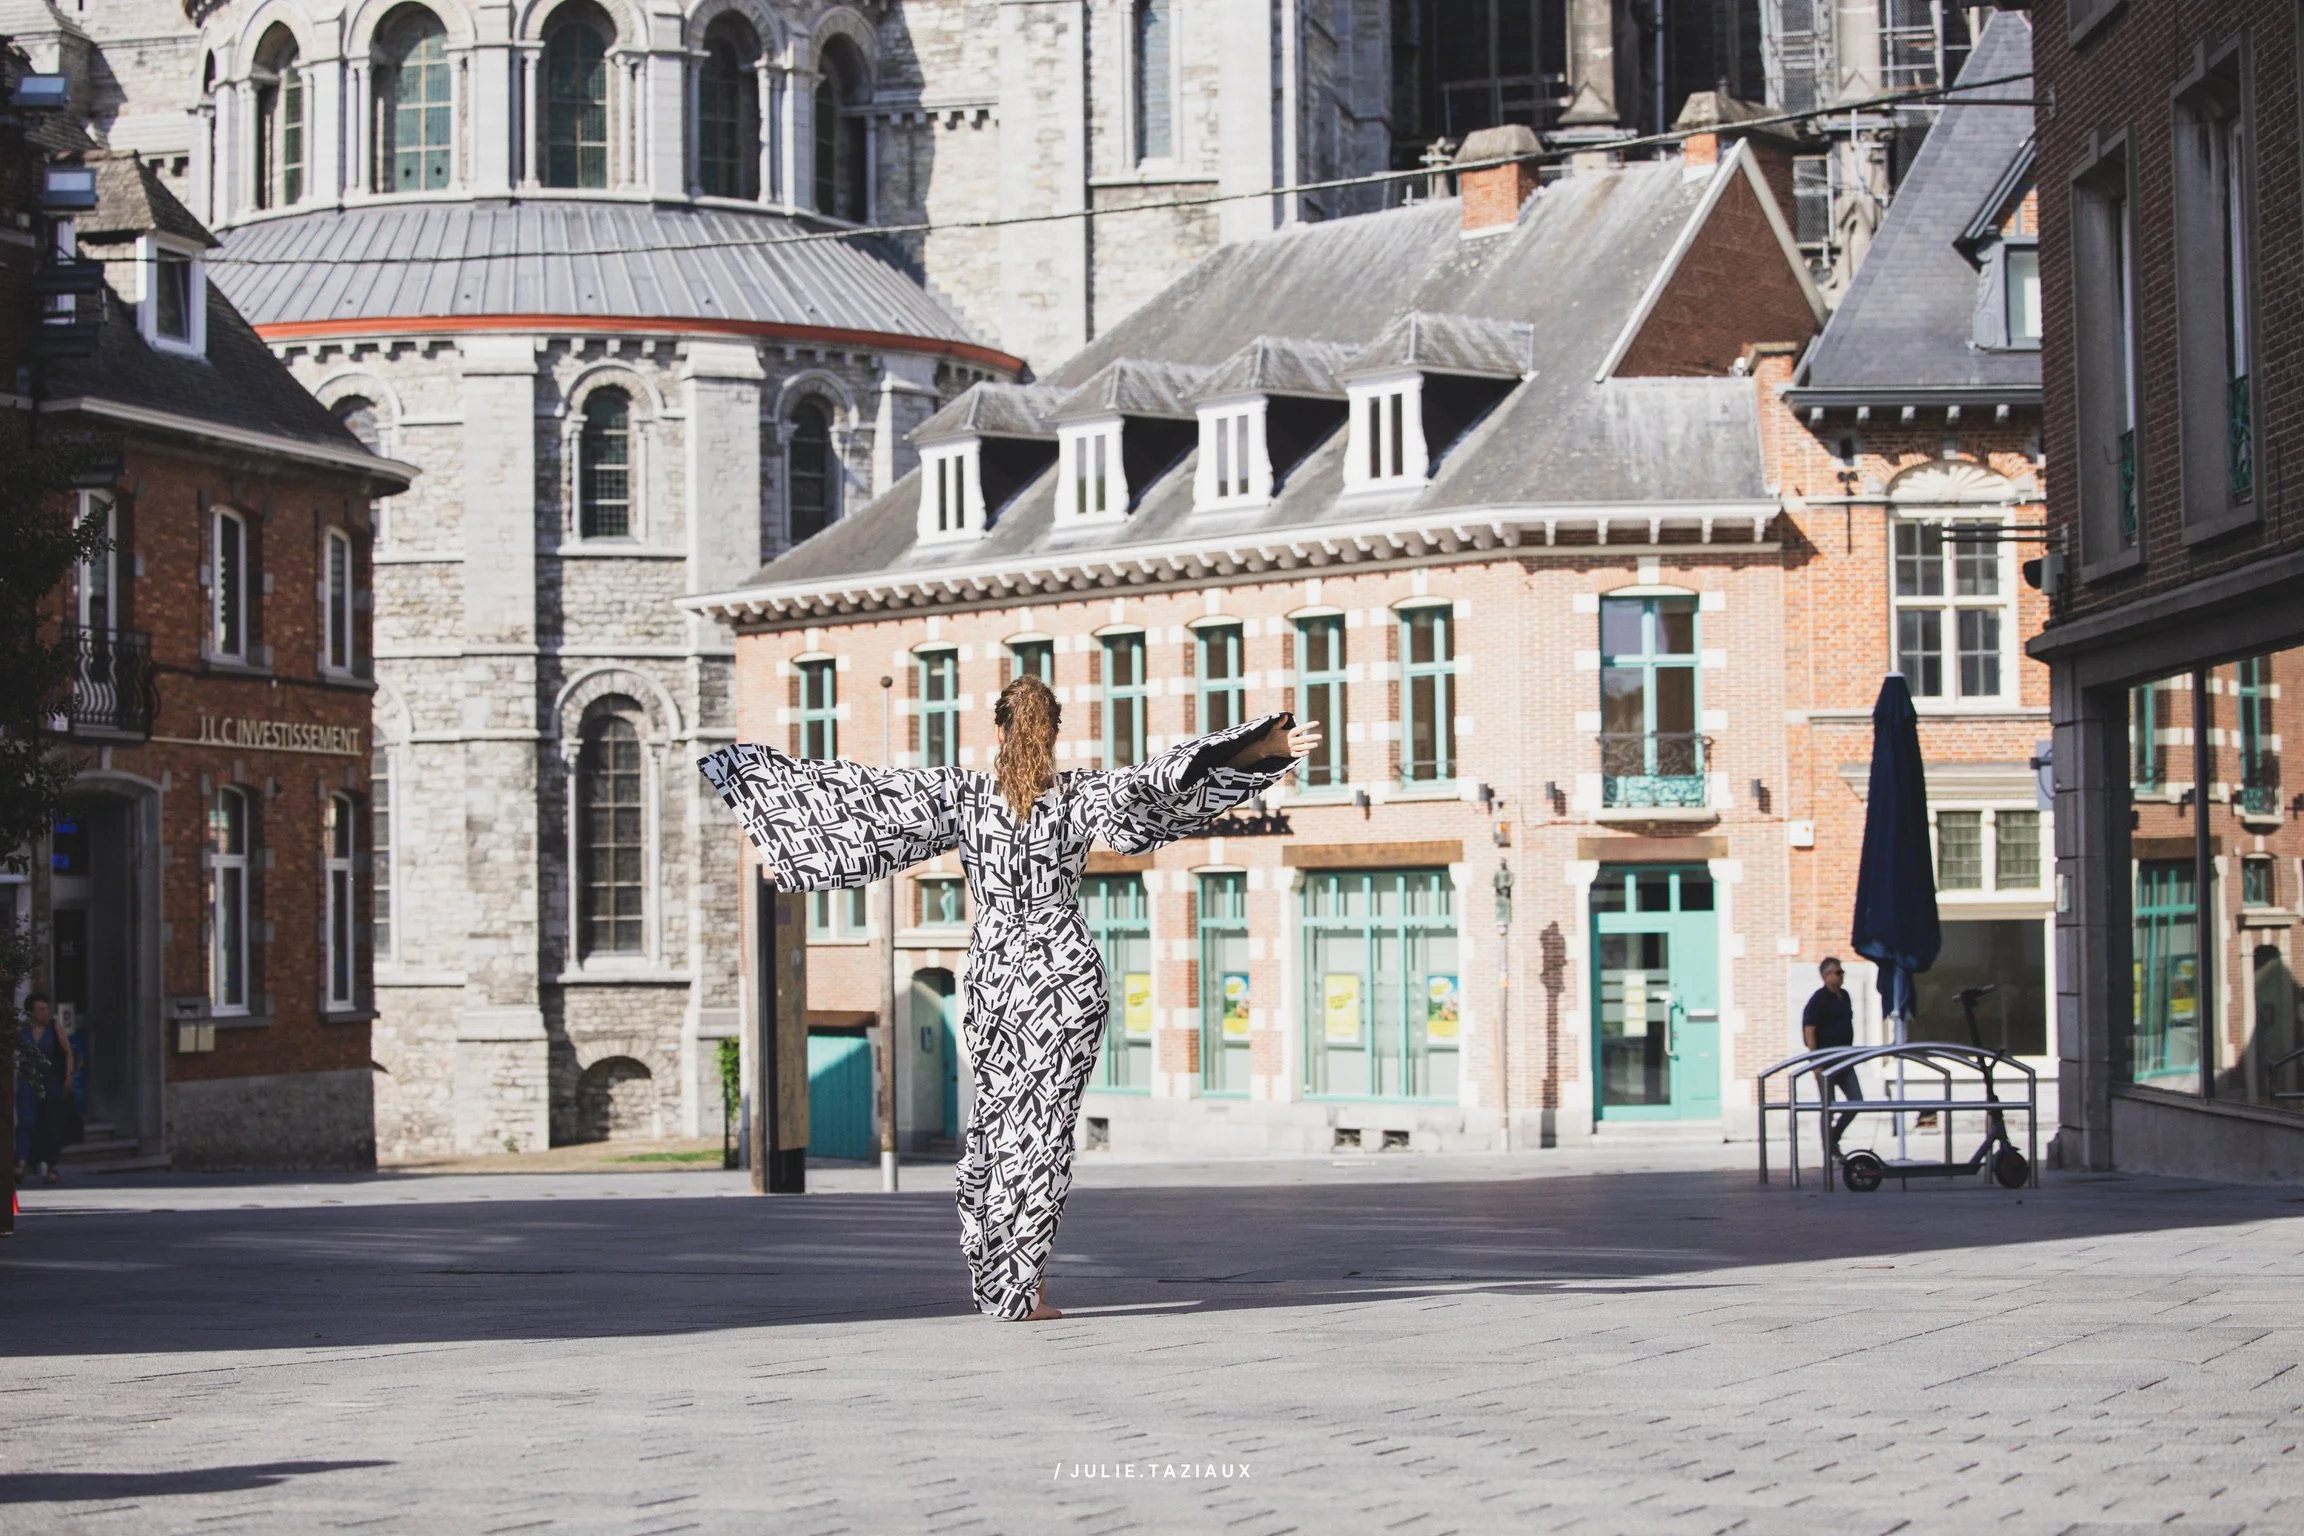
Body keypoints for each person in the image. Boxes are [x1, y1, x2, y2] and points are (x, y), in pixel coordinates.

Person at [702, 676, 1314, 1321]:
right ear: (1054, 734)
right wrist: (1253, 749)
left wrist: (752, 776)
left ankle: (1002, 1277)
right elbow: (1159, 784)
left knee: (998, 1123)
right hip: (1062, 971)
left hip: (996, 972)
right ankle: (1028, 1287)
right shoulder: (1079, 795)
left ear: (998, 731)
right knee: (1043, 1130)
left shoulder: (962, 797)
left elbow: (863, 800)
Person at [1802, 957, 1865, 1152]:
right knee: (1828, 1107)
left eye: (1842, 972)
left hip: (1845, 1059)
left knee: (1856, 1101)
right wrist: (1815, 1061)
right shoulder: (1818, 999)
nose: (1842, 975)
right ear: (1826, 976)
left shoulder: (1844, 996)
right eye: (1838, 972)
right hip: (1826, 1060)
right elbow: (1809, 1029)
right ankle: (1829, 1148)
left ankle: (1834, 1137)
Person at [15, 993, 77, 1186]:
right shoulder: (22, 1030)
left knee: (51, 1124)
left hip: (50, 1081)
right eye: (41, 1009)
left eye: (46, 1008)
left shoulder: (54, 1027)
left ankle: (52, 1167)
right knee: (26, 1121)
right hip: (27, 1081)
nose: (45, 1012)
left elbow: (68, 1053)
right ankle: (21, 1162)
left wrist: (68, 1077)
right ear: (31, 1012)